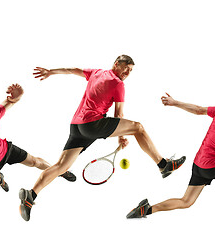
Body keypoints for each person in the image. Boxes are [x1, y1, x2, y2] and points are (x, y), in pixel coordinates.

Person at [19, 55, 185, 221]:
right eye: (126, 67)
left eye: (131, 70)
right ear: (116, 64)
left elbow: (72, 70)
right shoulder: (118, 84)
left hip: (76, 126)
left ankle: (30, 196)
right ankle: (163, 165)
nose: (128, 72)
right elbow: (118, 115)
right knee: (138, 128)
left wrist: (51, 72)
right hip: (92, 125)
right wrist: (121, 137)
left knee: (61, 166)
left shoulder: (96, 72)